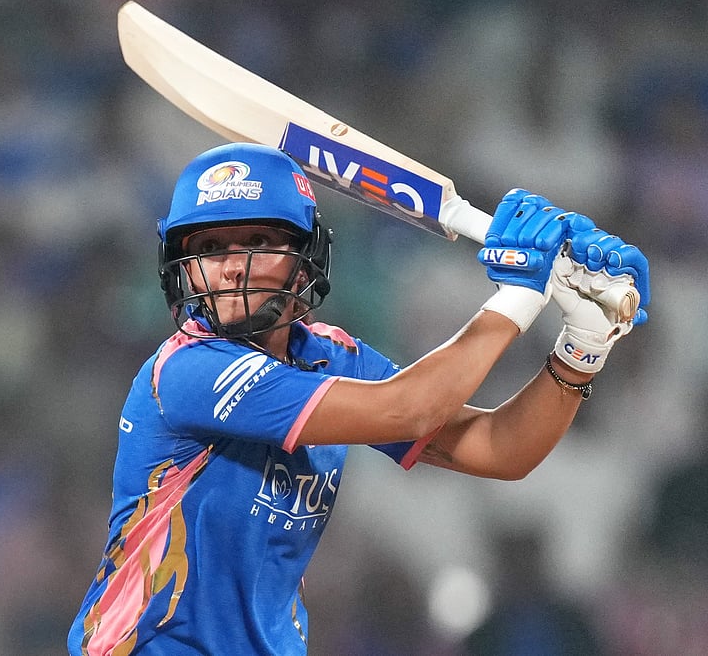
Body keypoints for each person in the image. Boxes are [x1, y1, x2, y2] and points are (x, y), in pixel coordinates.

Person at [67, 142, 650, 655]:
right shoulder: (187, 370)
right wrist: (523, 294)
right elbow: (410, 408)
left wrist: (583, 342)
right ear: (181, 268)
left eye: (259, 241)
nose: (232, 268)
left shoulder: (331, 357)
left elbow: (501, 451)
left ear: (303, 264)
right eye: (211, 246)